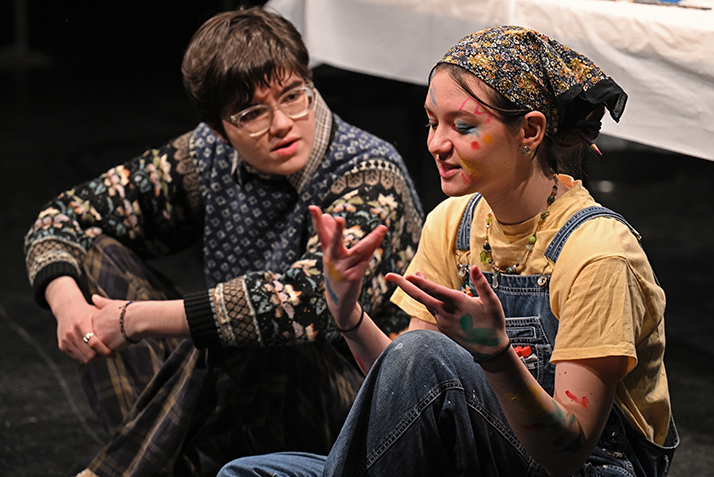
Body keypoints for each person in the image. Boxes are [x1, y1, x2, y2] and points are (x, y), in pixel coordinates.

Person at [218, 25, 678, 477]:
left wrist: (496, 354)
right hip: (475, 453)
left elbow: (568, 453)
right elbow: (407, 395)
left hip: (584, 467)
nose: (436, 143)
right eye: (431, 122)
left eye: (462, 126)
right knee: (248, 472)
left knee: (423, 352)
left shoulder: (598, 252)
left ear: (530, 131)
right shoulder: (453, 222)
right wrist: (348, 316)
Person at [23, 7, 424, 477]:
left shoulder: (368, 170)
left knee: (248, 320)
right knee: (94, 253)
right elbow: (64, 216)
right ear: (219, 129)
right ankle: (166, 465)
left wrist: (134, 321)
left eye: (295, 96)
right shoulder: (207, 153)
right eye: (251, 113)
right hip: (241, 399)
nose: (281, 123)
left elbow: (306, 304)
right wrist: (67, 301)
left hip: (365, 411)